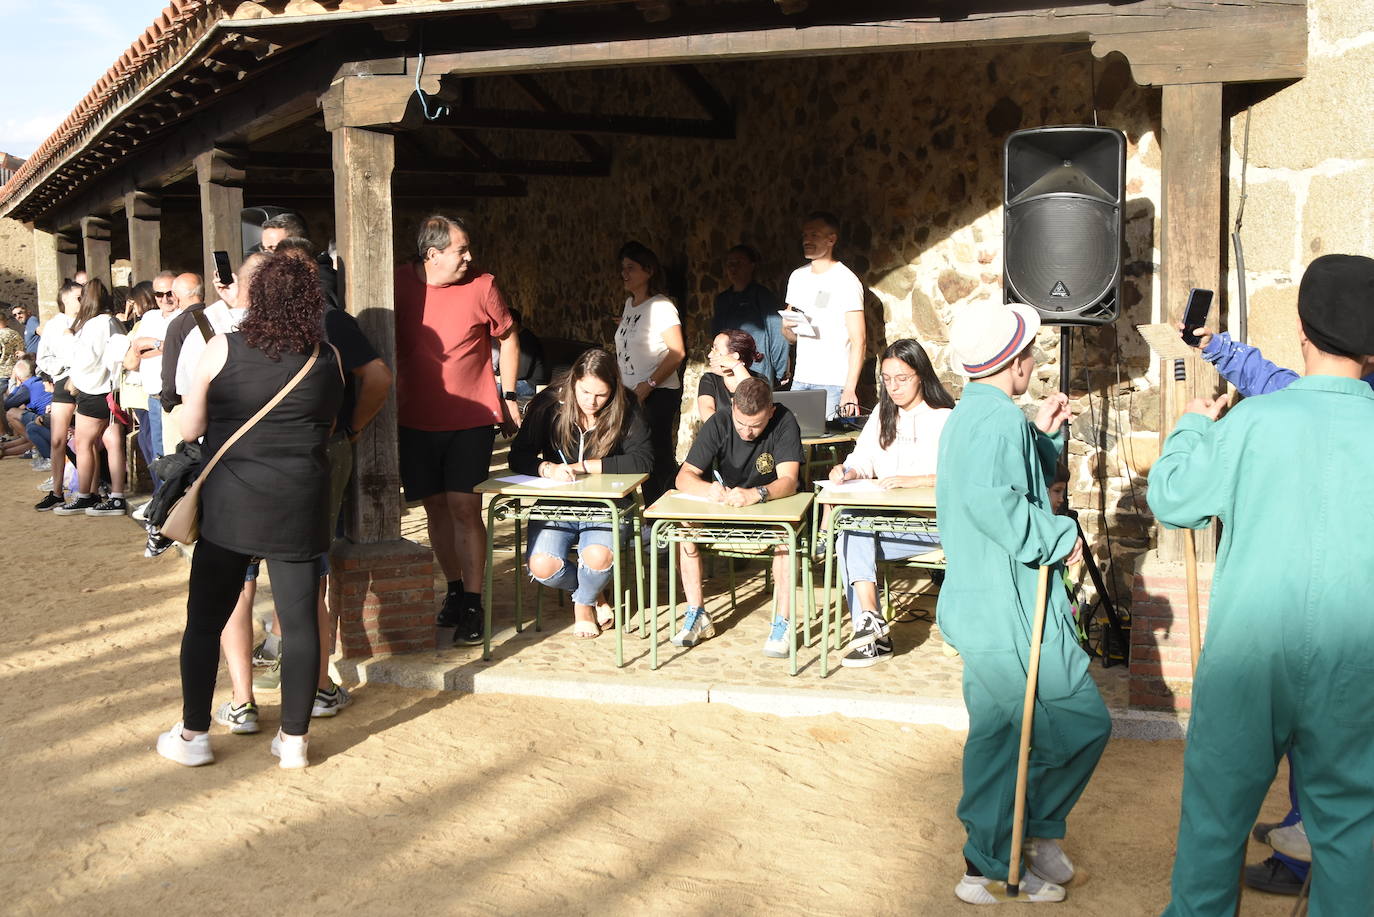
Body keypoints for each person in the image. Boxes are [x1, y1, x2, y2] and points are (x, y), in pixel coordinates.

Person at [1149, 254, 1374, 917]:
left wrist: (1193, 424)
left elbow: (1172, 497)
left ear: (1302, 331)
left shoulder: (1252, 422)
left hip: (1247, 654)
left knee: (1214, 824)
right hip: (1356, 658)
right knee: (1353, 831)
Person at [935, 298, 1107, 905]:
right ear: (1011, 362)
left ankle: (1026, 838)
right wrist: (1058, 537)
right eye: (1028, 352)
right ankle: (991, 859)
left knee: (1024, 731)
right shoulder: (997, 420)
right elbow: (996, 504)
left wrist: (1045, 436)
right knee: (1028, 732)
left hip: (996, 602)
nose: (1034, 360)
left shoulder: (981, 415)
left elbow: (1012, 480)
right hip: (1006, 606)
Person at [157, 255, 343, 769]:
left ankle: (194, 734)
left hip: (232, 506)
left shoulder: (223, 348)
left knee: (204, 620)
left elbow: (190, 429)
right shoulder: (326, 357)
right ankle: (295, 741)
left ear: (256, 296)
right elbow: (327, 428)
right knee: (301, 623)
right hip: (299, 505)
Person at [395, 215, 521, 646]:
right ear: (432, 255)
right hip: (414, 419)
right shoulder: (395, 283)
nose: (469, 257)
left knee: (464, 507)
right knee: (434, 509)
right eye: (460, 251)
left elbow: (509, 335)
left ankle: (473, 600)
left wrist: (508, 394)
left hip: (471, 417)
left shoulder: (482, 285)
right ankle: (452, 589)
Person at [507, 348, 653, 637]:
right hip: (557, 504)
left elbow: (643, 460)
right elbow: (518, 455)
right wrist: (546, 468)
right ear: (573, 382)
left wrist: (586, 465)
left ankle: (582, 605)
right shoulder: (550, 403)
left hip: (607, 504)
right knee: (542, 566)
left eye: (601, 394)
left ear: (613, 389)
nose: (591, 401)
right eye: (585, 392)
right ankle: (593, 595)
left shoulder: (627, 405)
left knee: (598, 557)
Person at [828, 338, 954, 668]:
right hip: (887, 521)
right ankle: (871, 622)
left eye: (902, 378)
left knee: (851, 539)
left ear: (921, 375)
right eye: (886, 379)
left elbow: (962, 477)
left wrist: (920, 480)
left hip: (933, 527)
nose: (893, 387)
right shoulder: (883, 415)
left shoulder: (944, 418)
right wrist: (849, 470)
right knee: (851, 528)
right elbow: (865, 458)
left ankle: (873, 637)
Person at [670, 377, 804, 657]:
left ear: (771, 410)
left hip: (771, 509)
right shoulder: (719, 422)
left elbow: (790, 480)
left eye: (755, 425)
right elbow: (684, 477)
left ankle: (783, 622)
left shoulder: (785, 421)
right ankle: (697, 612)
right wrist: (710, 490)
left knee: (785, 535)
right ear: (732, 407)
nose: (747, 432)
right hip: (728, 507)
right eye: (741, 423)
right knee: (686, 526)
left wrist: (758, 493)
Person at [614, 241, 685, 506]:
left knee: (657, 455)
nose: (624, 274)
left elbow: (677, 352)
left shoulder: (662, 306)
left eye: (630, 268)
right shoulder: (630, 304)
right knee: (637, 454)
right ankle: (648, 516)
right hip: (631, 394)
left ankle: (667, 515)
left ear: (648, 271)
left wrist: (650, 384)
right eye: (623, 268)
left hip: (657, 393)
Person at [52, 278, 128, 517]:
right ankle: (117, 496)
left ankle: (85, 494)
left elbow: (81, 360)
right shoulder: (114, 321)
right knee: (112, 441)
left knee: (84, 444)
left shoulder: (94, 325)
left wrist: (66, 337)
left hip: (95, 391)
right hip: (114, 391)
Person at [782, 212, 866, 420]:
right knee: (796, 444)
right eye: (804, 235)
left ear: (831, 239)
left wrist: (849, 388)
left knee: (828, 446)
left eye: (814, 235)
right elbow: (790, 336)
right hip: (801, 379)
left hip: (833, 382)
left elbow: (859, 340)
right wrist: (788, 328)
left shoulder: (846, 281)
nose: (807, 240)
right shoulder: (797, 277)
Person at [34, 280, 82, 511]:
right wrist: (63, 369)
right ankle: (57, 492)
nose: (81, 301)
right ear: (65, 299)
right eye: (77, 297)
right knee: (58, 438)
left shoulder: (89, 321)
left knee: (86, 439)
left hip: (87, 383)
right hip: (64, 381)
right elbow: (43, 358)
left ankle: (90, 488)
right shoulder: (54, 325)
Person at [123, 278, 174, 490]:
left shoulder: (184, 317)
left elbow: (176, 350)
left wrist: (152, 345)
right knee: (156, 451)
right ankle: (161, 501)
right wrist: (153, 346)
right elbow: (131, 359)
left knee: (174, 453)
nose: (165, 299)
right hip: (152, 394)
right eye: (159, 295)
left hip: (176, 396)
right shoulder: (150, 318)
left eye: (169, 293)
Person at [711, 245, 789, 385]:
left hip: (758, 370)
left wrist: (779, 370)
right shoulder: (722, 300)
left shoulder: (763, 297)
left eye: (739, 263)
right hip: (727, 372)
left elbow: (778, 335)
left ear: (752, 265)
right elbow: (716, 337)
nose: (733, 268)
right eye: (730, 263)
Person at [158, 272, 208, 455]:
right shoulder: (215, 318)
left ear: (177, 297)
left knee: (178, 467)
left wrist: (167, 403)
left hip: (184, 404)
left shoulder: (178, 325)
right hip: (215, 400)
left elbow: (170, 372)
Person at [696, 329, 764, 424]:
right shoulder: (710, 379)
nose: (709, 355)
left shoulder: (760, 381)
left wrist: (736, 366)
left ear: (735, 356)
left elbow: (755, 403)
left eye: (716, 349)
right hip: (720, 436)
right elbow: (707, 413)